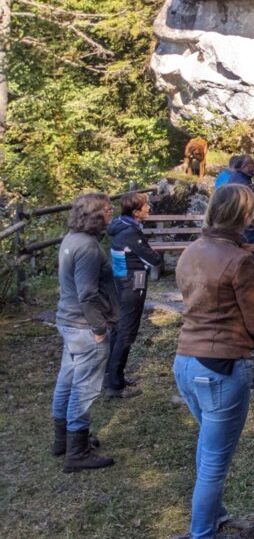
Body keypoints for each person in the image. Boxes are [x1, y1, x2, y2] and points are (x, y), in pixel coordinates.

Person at [173, 184, 254, 539]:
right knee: (215, 462)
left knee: (208, 449)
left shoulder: (191, 250)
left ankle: (214, 516)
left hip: (185, 361)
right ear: (243, 215)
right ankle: (202, 532)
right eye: (252, 211)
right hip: (219, 366)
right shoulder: (239, 260)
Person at [51, 193, 118, 472]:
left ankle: (62, 441)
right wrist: (99, 328)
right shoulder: (89, 248)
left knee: (67, 379)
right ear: (94, 216)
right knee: (84, 386)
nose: (111, 212)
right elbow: (88, 294)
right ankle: (77, 451)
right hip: (84, 326)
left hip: (69, 322)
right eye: (106, 209)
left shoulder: (70, 238)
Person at [104, 192, 163, 399]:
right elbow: (153, 258)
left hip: (121, 281)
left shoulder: (120, 225)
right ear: (136, 212)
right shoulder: (130, 232)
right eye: (146, 206)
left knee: (119, 330)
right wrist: (153, 257)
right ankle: (116, 385)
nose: (149, 208)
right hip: (132, 285)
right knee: (126, 332)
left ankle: (111, 375)